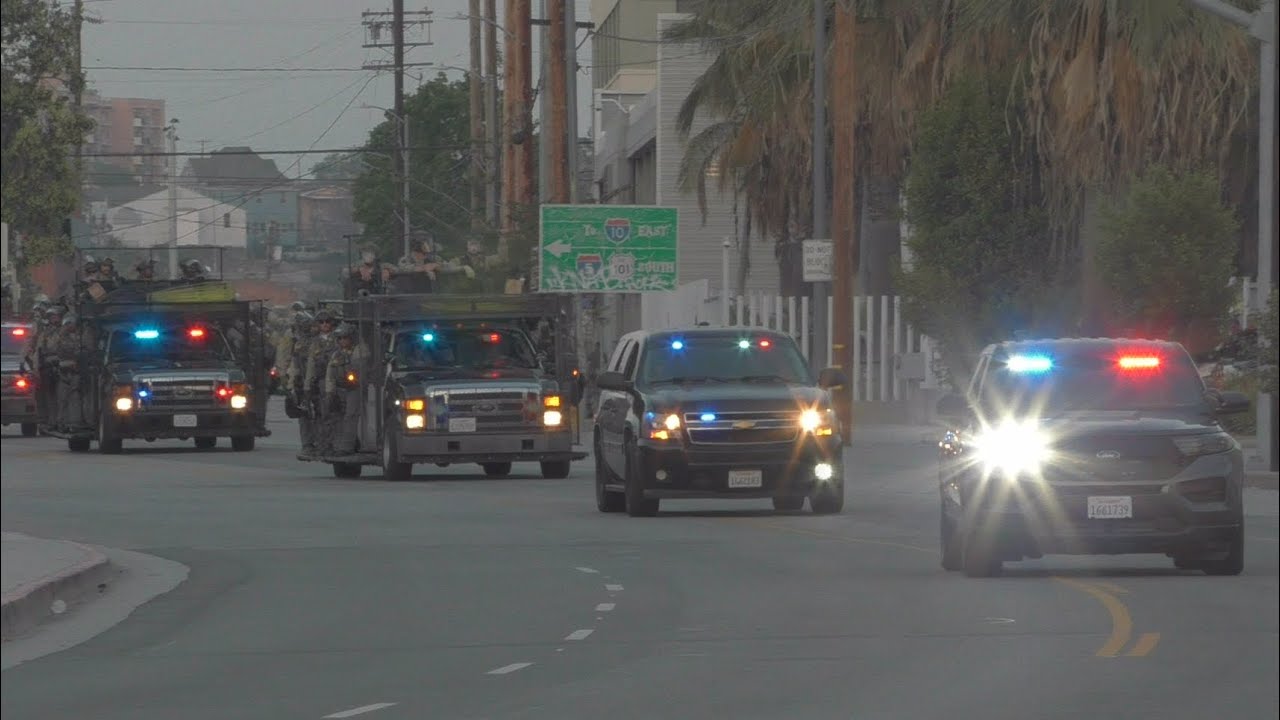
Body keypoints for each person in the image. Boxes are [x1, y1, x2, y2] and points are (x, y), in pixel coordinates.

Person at [324, 323, 370, 455]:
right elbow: (330, 374)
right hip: (340, 389)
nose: (343, 341)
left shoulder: (360, 351)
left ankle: (347, 447)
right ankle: (336, 444)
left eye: (345, 338)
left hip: (355, 389)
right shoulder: (337, 354)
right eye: (340, 338)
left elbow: (361, 371)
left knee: (351, 416)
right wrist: (329, 392)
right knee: (336, 416)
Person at [303, 310, 337, 455]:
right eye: (321, 322)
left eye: (327, 322)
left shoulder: (338, 339)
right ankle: (324, 445)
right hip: (322, 382)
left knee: (337, 415)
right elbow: (311, 364)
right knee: (323, 414)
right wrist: (307, 386)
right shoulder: (314, 343)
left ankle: (335, 444)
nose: (324, 325)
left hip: (338, 381)